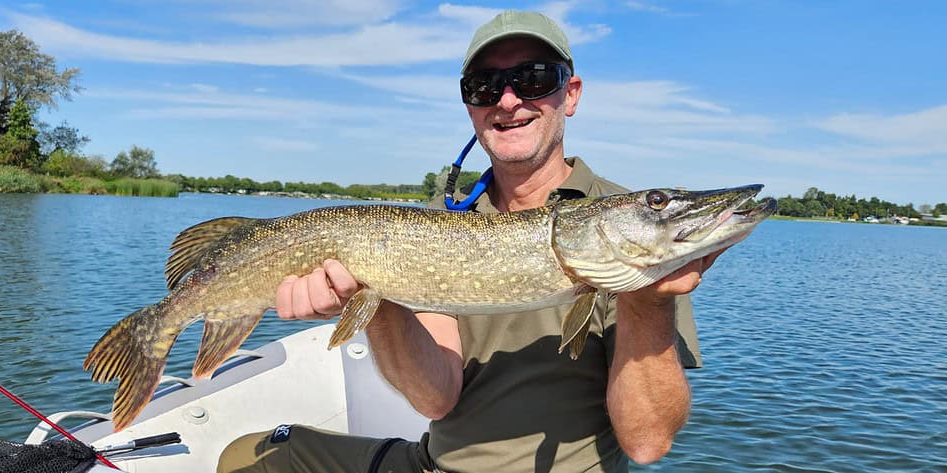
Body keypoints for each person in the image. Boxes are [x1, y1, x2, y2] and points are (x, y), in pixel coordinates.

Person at [218, 10, 720, 472]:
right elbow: (436, 399)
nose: (507, 100)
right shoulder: (447, 223)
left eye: (534, 78)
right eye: (484, 86)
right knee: (247, 458)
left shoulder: (627, 227)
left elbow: (647, 443)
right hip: (432, 463)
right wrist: (377, 297)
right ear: (469, 105)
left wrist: (649, 304)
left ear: (571, 93)